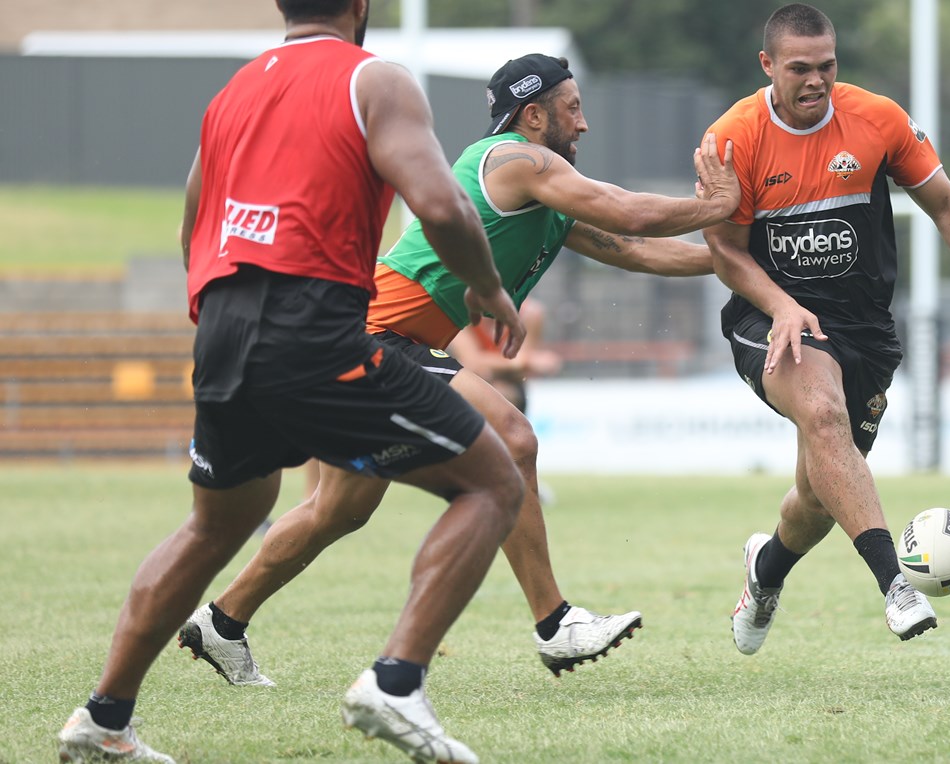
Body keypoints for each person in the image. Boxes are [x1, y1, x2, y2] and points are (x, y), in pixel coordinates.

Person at [57, 1, 531, 761]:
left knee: (214, 525)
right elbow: (440, 204)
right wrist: (486, 285)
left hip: (223, 325)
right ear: (362, 7)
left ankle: (103, 721)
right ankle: (395, 683)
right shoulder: (376, 80)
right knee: (493, 484)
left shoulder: (235, 92)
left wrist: (229, 320)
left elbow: (193, 226)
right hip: (310, 325)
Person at [173, 52, 737, 690]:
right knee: (513, 439)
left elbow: (637, 249)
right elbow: (631, 213)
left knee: (337, 511)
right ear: (533, 114)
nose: (583, 124)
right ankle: (555, 624)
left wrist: (739, 266)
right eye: (573, 108)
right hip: (377, 334)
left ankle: (223, 621)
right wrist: (717, 203)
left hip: (370, 336)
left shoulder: (543, 192)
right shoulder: (516, 160)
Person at [704, 3, 950, 655]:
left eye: (826, 66)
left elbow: (944, 202)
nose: (815, 81)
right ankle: (895, 587)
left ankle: (765, 571)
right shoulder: (733, 137)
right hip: (771, 317)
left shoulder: (878, 119)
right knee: (826, 417)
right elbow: (725, 251)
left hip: (864, 328)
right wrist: (779, 305)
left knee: (821, 493)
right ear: (767, 65)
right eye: (799, 68)